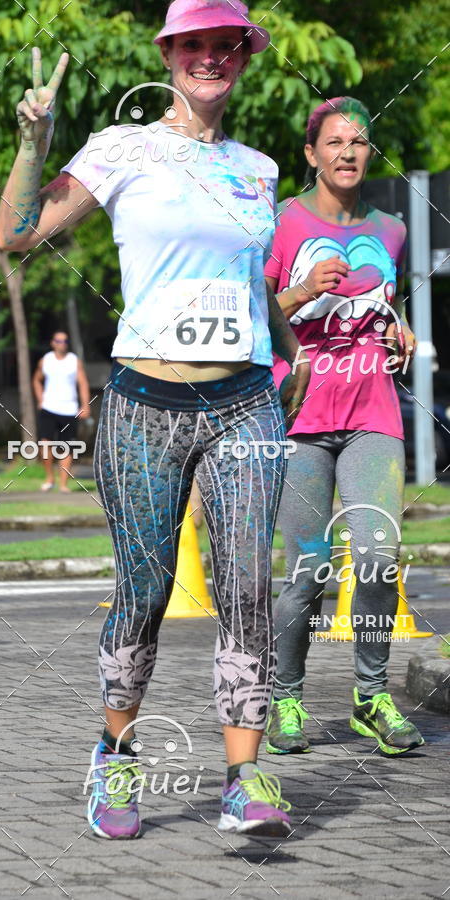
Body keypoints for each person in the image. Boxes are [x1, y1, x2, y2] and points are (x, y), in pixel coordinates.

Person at [0, 0, 310, 839]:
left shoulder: (261, 168)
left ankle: (246, 780)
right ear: (171, 55)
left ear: (242, 56)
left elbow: (245, 285)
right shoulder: (122, 146)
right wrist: (33, 145)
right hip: (145, 406)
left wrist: (293, 346)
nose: (210, 58)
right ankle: (114, 758)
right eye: (194, 45)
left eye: (225, 45)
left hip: (245, 401)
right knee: (145, 592)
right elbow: (16, 233)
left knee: (246, 586)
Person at [264, 97, 424, 757]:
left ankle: (370, 696)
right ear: (312, 154)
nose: (348, 153)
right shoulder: (279, 222)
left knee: (380, 558)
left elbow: (382, 304)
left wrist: (398, 327)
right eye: (335, 142)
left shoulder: (389, 229)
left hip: (373, 412)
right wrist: (299, 292)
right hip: (301, 416)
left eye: (359, 142)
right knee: (308, 568)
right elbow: (251, 310)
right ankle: (286, 699)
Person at [32, 330, 90, 492]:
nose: (61, 344)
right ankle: (49, 478)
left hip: (69, 409)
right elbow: (36, 380)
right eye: (58, 341)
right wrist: (40, 399)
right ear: (52, 343)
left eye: (64, 341)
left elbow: (83, 383)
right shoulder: (45, 361)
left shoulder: (74, 361)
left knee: (66, 447)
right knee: (45, 444)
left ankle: (63, 484)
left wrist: (85, 405)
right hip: (49, 408)